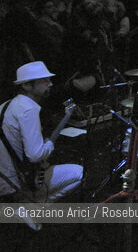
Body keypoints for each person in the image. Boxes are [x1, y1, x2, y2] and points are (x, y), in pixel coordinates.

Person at [0, 62, 83, 211]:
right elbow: (35, 155)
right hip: (18, 184)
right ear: (26, 86)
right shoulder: (28, 109)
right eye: (44, 80)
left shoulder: (6, 105)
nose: (50, 84)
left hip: (4, 180)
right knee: (79, 173)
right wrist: (49, 145)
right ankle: (35, 207)